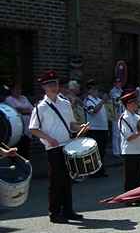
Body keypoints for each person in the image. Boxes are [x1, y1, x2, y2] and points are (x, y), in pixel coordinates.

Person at [28, 70, 89, 223]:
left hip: (67, 145)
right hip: (53, 148)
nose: (53, 87)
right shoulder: (40, 107)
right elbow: (33, 128)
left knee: (67, 179)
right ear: (44, 87)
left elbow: (71, 125)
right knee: (56, 181)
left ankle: (68, 211)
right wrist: (48, 138)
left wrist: (80, 126)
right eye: (49, 84)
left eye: (55, 83)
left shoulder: (65, 103)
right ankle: (54, 213)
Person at [118, 91, 140, 204]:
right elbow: (128, 137)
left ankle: (138, 197)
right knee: (130, 177)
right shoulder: (124, 118)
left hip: (139, 149)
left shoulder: (138, 116)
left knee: (138, 177)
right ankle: (128, 199)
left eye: (136, 102)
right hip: (129, 151)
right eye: (133, 103)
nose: (136, 104)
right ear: (128, 104)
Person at [83, 81, 109, 177]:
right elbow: (92, 111)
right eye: (93, 89)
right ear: (89, 90)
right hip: (94, 129)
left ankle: (100, 170)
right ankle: (93, 171)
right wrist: (102, 101)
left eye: (96, 89)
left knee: (102, 151)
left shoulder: (98, 99)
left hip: (103, 129)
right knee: (95, 151)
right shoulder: (88, 100)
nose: (96, 91)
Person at [4, 83, 33, 159]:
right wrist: (26, 110)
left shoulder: (24, 98)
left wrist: (24, 110)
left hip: (27, 128)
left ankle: (25, 163)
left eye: (19, 89)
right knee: (18, 147)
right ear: (12, 90)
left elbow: (32, 109)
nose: (18, 91)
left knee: (26, 148)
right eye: (16, 89)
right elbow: (15, 110)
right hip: (17, 128)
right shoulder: (9, 99)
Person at [109, 78, 124, 156]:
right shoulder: (113, 91)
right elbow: (116, 102)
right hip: (115, 114)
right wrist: (122, 98)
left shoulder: (121, 91)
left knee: (121, 133)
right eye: (117, 82)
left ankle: (121, 150)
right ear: (114, 83)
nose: (119, 84)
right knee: (116, 134)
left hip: (121, 114)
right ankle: (116, 152)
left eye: (120, 82)